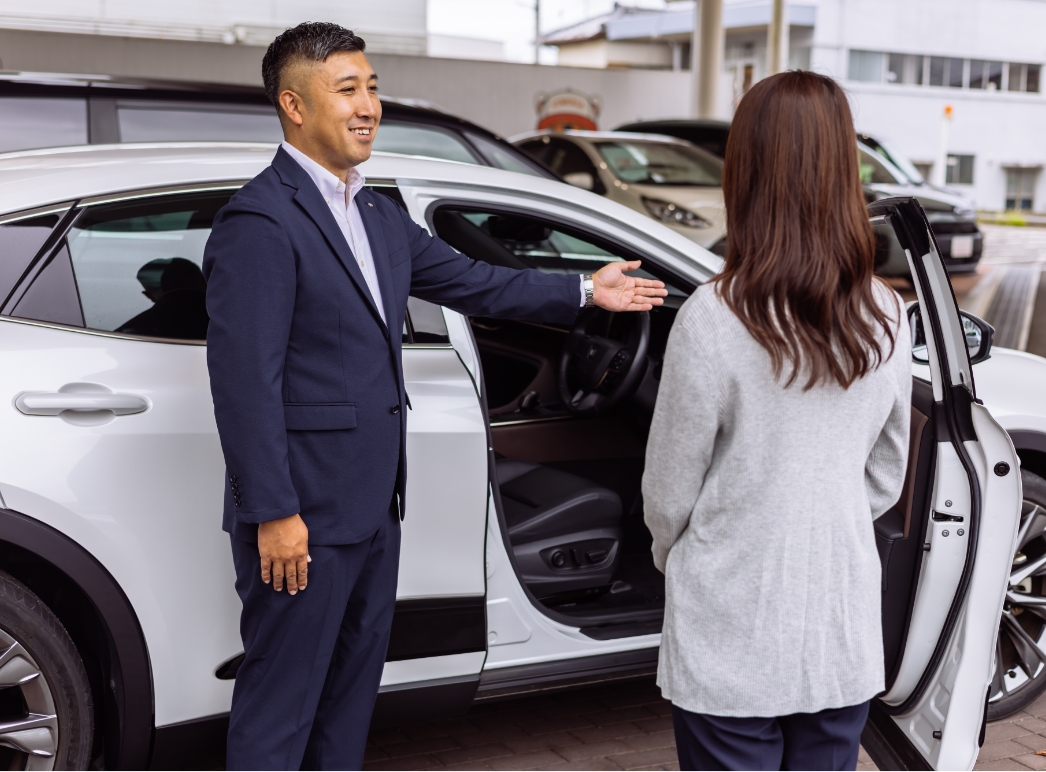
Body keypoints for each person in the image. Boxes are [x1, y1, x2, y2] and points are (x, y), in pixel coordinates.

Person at [202, 21, 667, 771]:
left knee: (349, 697)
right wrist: (274, 513)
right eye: (347, 89)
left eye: (373, 88)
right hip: (303, 518)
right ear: (294, 105)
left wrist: (585, 288)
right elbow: (243, 382)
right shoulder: (260, 221)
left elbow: (478, 280)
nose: (368, 106)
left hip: (372, 509)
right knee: (281, 701)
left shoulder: (379, 213)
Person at [642, 70, 911, 771]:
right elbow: (887, 469)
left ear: (747, 171)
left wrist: (681, 557)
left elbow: (670, 489)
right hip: (838, 617)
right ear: (841, 166)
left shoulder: (713, 315)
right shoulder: (886, 311)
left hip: (732, 617)